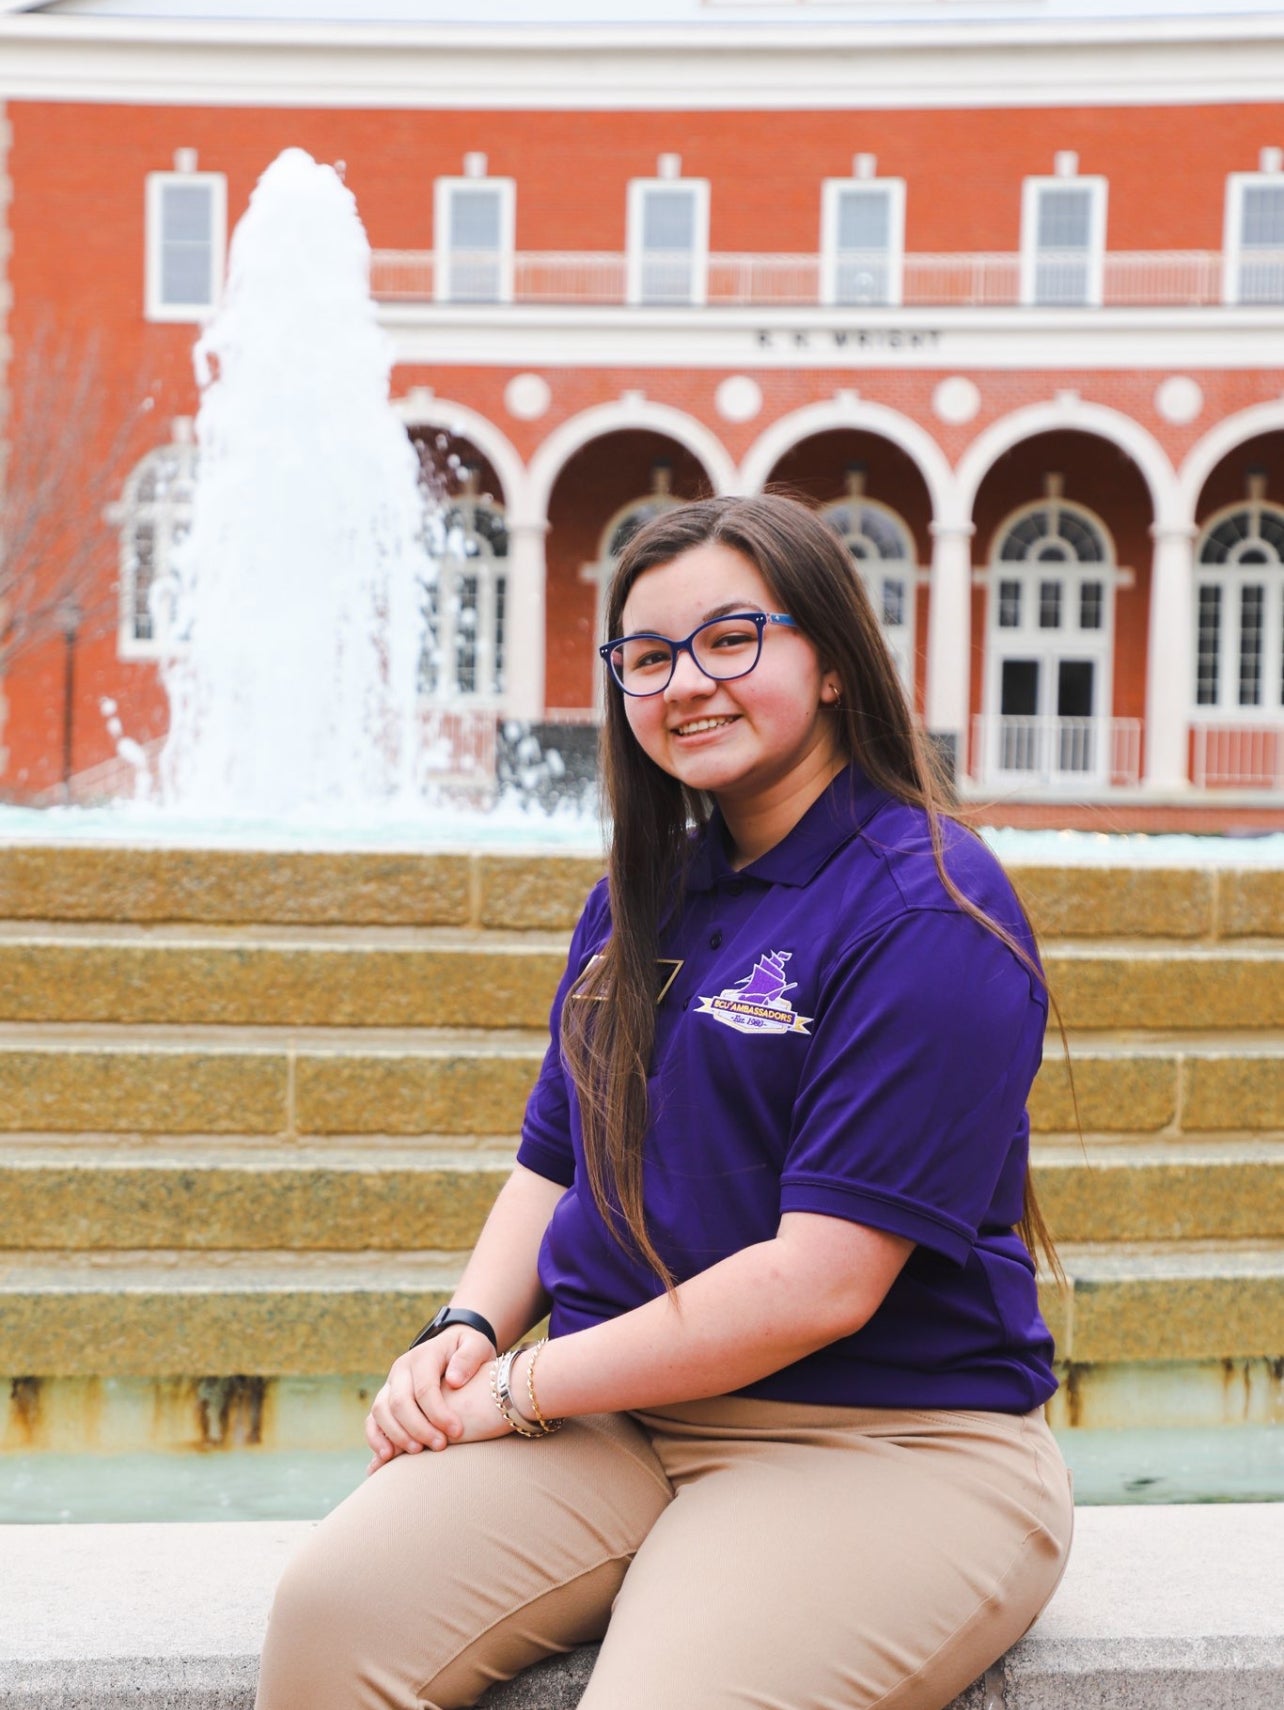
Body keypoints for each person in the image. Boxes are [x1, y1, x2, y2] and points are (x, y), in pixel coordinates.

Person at [256, 494, 1073, 1710]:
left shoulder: (929, 909)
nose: (686, 682)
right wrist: (464, 1334)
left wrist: (520, 1388)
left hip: (886, 1441)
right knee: (330, 1620)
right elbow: (555, 1164)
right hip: (621, 1421)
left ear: (835, 662)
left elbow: (820, 1283)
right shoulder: (640, 897)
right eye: (647, 656)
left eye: (732, 639)